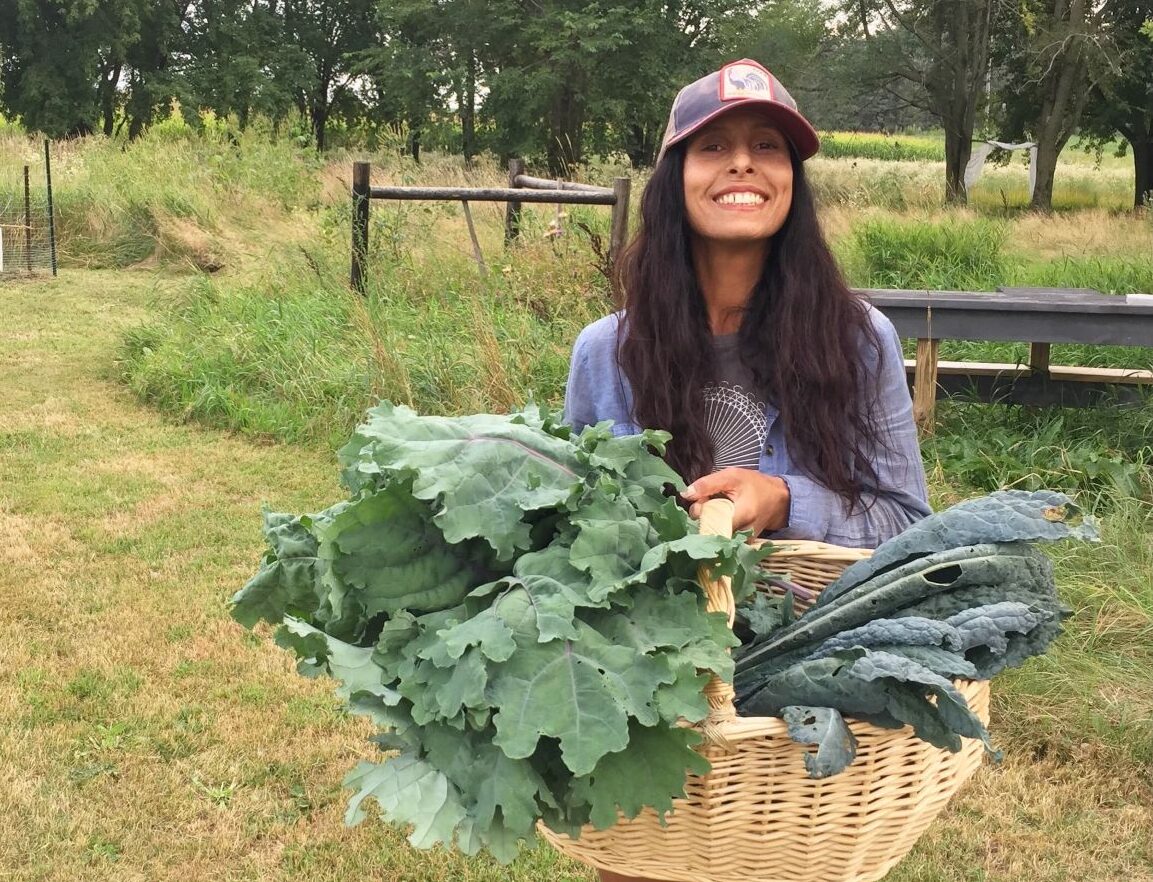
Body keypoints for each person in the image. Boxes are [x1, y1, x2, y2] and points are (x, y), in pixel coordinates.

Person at [563, 59, 930, 553]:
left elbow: (909, 524)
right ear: (678, 178)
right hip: (652, 628)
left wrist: (785, 500)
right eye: (713, 145)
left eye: (766, 146)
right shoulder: (604, 353)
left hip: (817, 621)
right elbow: (574, 524)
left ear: (792, 181)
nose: (742, 162)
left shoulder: (858, 337)